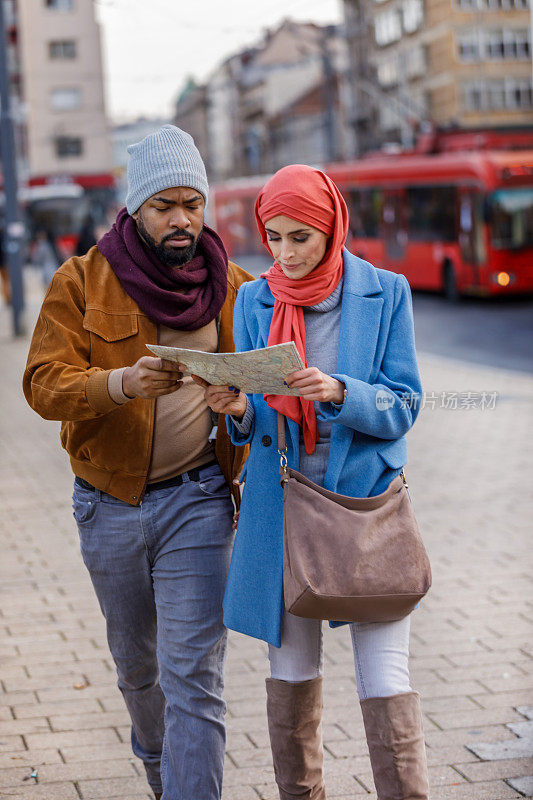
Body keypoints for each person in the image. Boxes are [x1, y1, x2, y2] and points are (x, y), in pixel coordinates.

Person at [23, 125, 253, 800]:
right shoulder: (82, 280)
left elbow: (263, 392)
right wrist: (122, 382)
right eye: (165, 205)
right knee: (139, 672)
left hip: (201, 502)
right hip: (109, 505)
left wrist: (240, 399)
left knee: (195, 676)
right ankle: (160, 773)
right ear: (135, 209)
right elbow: (41, 384)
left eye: (192, 202)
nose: (182, 218)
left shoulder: (234, 286)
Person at [200, 164, 430, 799]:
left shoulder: (387, 292)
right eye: (273, 237)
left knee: (386, 675)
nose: (284, 253)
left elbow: (404, 404)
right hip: (283, 512)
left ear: (332, 228)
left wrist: (340, 393)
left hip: (364, 512)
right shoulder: (254, 300)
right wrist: (238, 409)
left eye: (299, 237)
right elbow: (259, 420)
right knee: (291, 671)